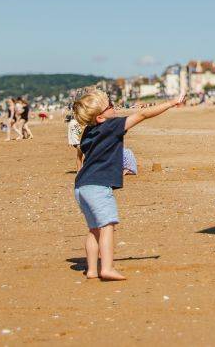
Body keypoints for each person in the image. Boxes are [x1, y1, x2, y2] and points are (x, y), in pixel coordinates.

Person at [71, 88, 186, 281]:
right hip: (98, 186)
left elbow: (82, 154)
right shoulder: (111, 126)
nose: (113, 107)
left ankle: (91, 270)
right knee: (107, 226)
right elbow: (142, 114)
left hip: (81, 186)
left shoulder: (88, 132)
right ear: (100, 117)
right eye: (110, 106)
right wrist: (171, 103)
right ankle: (106, 268)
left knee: (94, 230)